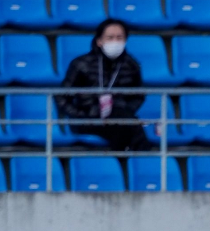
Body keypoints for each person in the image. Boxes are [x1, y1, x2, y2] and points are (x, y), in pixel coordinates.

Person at [58, 19, 149, 152]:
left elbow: (138, 96)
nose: (115, 42)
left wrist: (126, 110)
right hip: (88, 119)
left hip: (119, 119)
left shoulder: (131, 65)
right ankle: (141, 159)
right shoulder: (81, 64)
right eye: (110, 37)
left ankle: (123, 164)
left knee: (121, 122)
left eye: (119, 38)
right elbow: (61, 98)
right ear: (99, 41)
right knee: (130, 126)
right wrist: (81, 115)